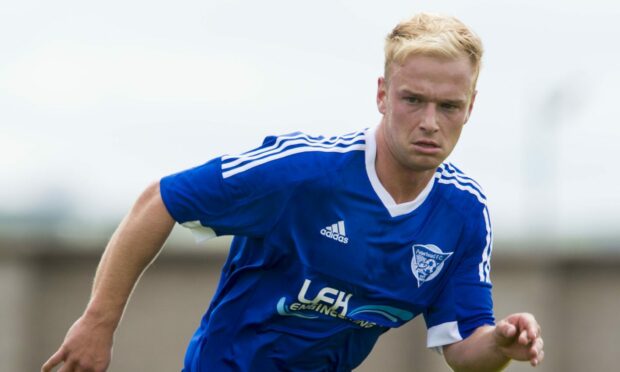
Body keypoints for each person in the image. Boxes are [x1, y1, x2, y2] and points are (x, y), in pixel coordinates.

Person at [42, 12, 544, 372]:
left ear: (471, 107)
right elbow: (159, 200)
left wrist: (501, 344)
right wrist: (97, 323)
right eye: (413, 100)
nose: (430, 123)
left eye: (449, 107)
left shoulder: (462, 212)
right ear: (382, 95)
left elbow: (462, 350)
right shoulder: (304, 172)